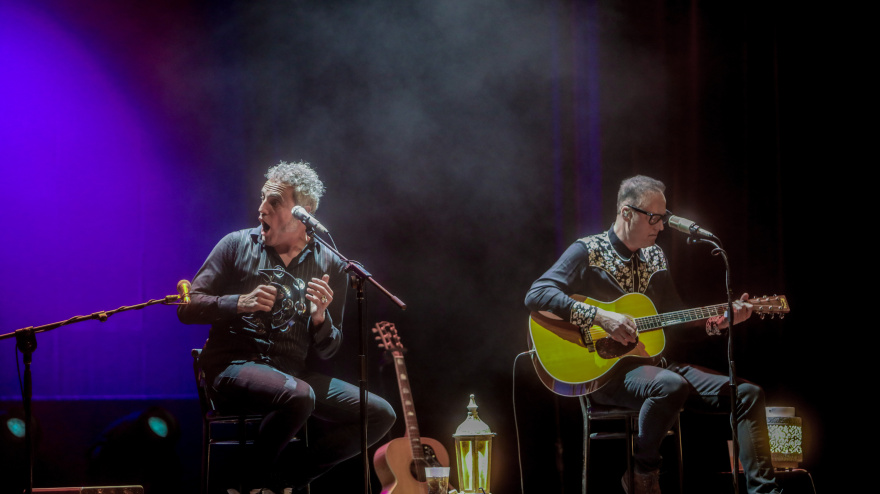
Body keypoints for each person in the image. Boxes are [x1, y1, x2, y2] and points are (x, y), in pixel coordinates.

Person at [525, 176, 781, 494]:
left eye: (664, 218)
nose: (660, 227)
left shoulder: (655, 256)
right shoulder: (587, 251)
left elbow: (673, 322)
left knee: (748, 394)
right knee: (670, 386)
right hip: (606, 374)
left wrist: (718, 323)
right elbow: (537, 294)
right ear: (627, 212)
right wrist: (600, 316)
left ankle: (766, 492)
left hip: (654, 365)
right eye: (655, 217)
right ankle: (642, 472)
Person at [179, 160, 396, 494]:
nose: (261, 208)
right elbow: (188, 307)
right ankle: (248, 485)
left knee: (381, 414)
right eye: (263, 199)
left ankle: (283, 481)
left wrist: (321, 317)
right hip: (232, 369)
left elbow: (329, 348)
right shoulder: (236, 245)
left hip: (291, 376)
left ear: (303, 212)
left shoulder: (330, 263)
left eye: (273, 202)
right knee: (299, 396)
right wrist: (240, 302)